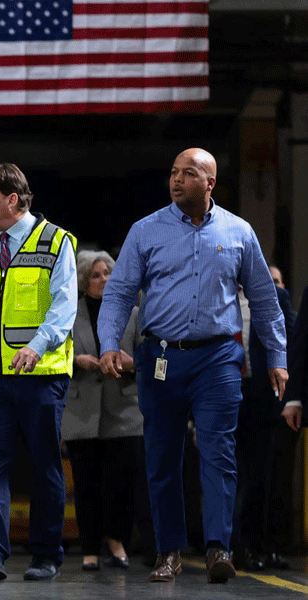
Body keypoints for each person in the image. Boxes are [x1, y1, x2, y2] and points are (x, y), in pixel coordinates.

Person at [97, 148, 288, 584]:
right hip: (160, 357)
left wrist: (277, 358)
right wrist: (110, 343)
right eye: (173, 172)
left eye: (189, 173)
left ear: (210, 183)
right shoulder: (145, 231)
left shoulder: (239, 231)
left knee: (219, 452)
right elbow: (119, 293)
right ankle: (168, 552)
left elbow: (264, 299)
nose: (177, 179)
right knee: (162, 457)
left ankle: (219, 547)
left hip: (218, 358)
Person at [0, 163, 77, 582]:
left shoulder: (56, 242)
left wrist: (37, 345)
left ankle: (46, 554)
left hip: (41, 375)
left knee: (45, 465)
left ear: (11, 200)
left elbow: (65, 307)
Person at [62, 250, 143, 571]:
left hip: (123, 409)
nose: (103, 279)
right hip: (82, 410)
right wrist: (76, 361)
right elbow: (53, 358)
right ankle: (90, 548)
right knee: (86, 483)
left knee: (121, 481)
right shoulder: (68, 314)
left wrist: (132, 363)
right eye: (96, 275)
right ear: (83, 281)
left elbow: (151, 360)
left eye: (108, 273)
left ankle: (118, 541)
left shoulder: (133, 313)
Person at [233, 275, 294, 571]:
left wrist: (288, 399)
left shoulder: (275, 298)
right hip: (224, 395)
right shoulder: (217, 296)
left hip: (260, 397)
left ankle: (253, 546)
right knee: (226, 476)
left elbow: (291, 347)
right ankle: (228, 546)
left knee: (258, 478)